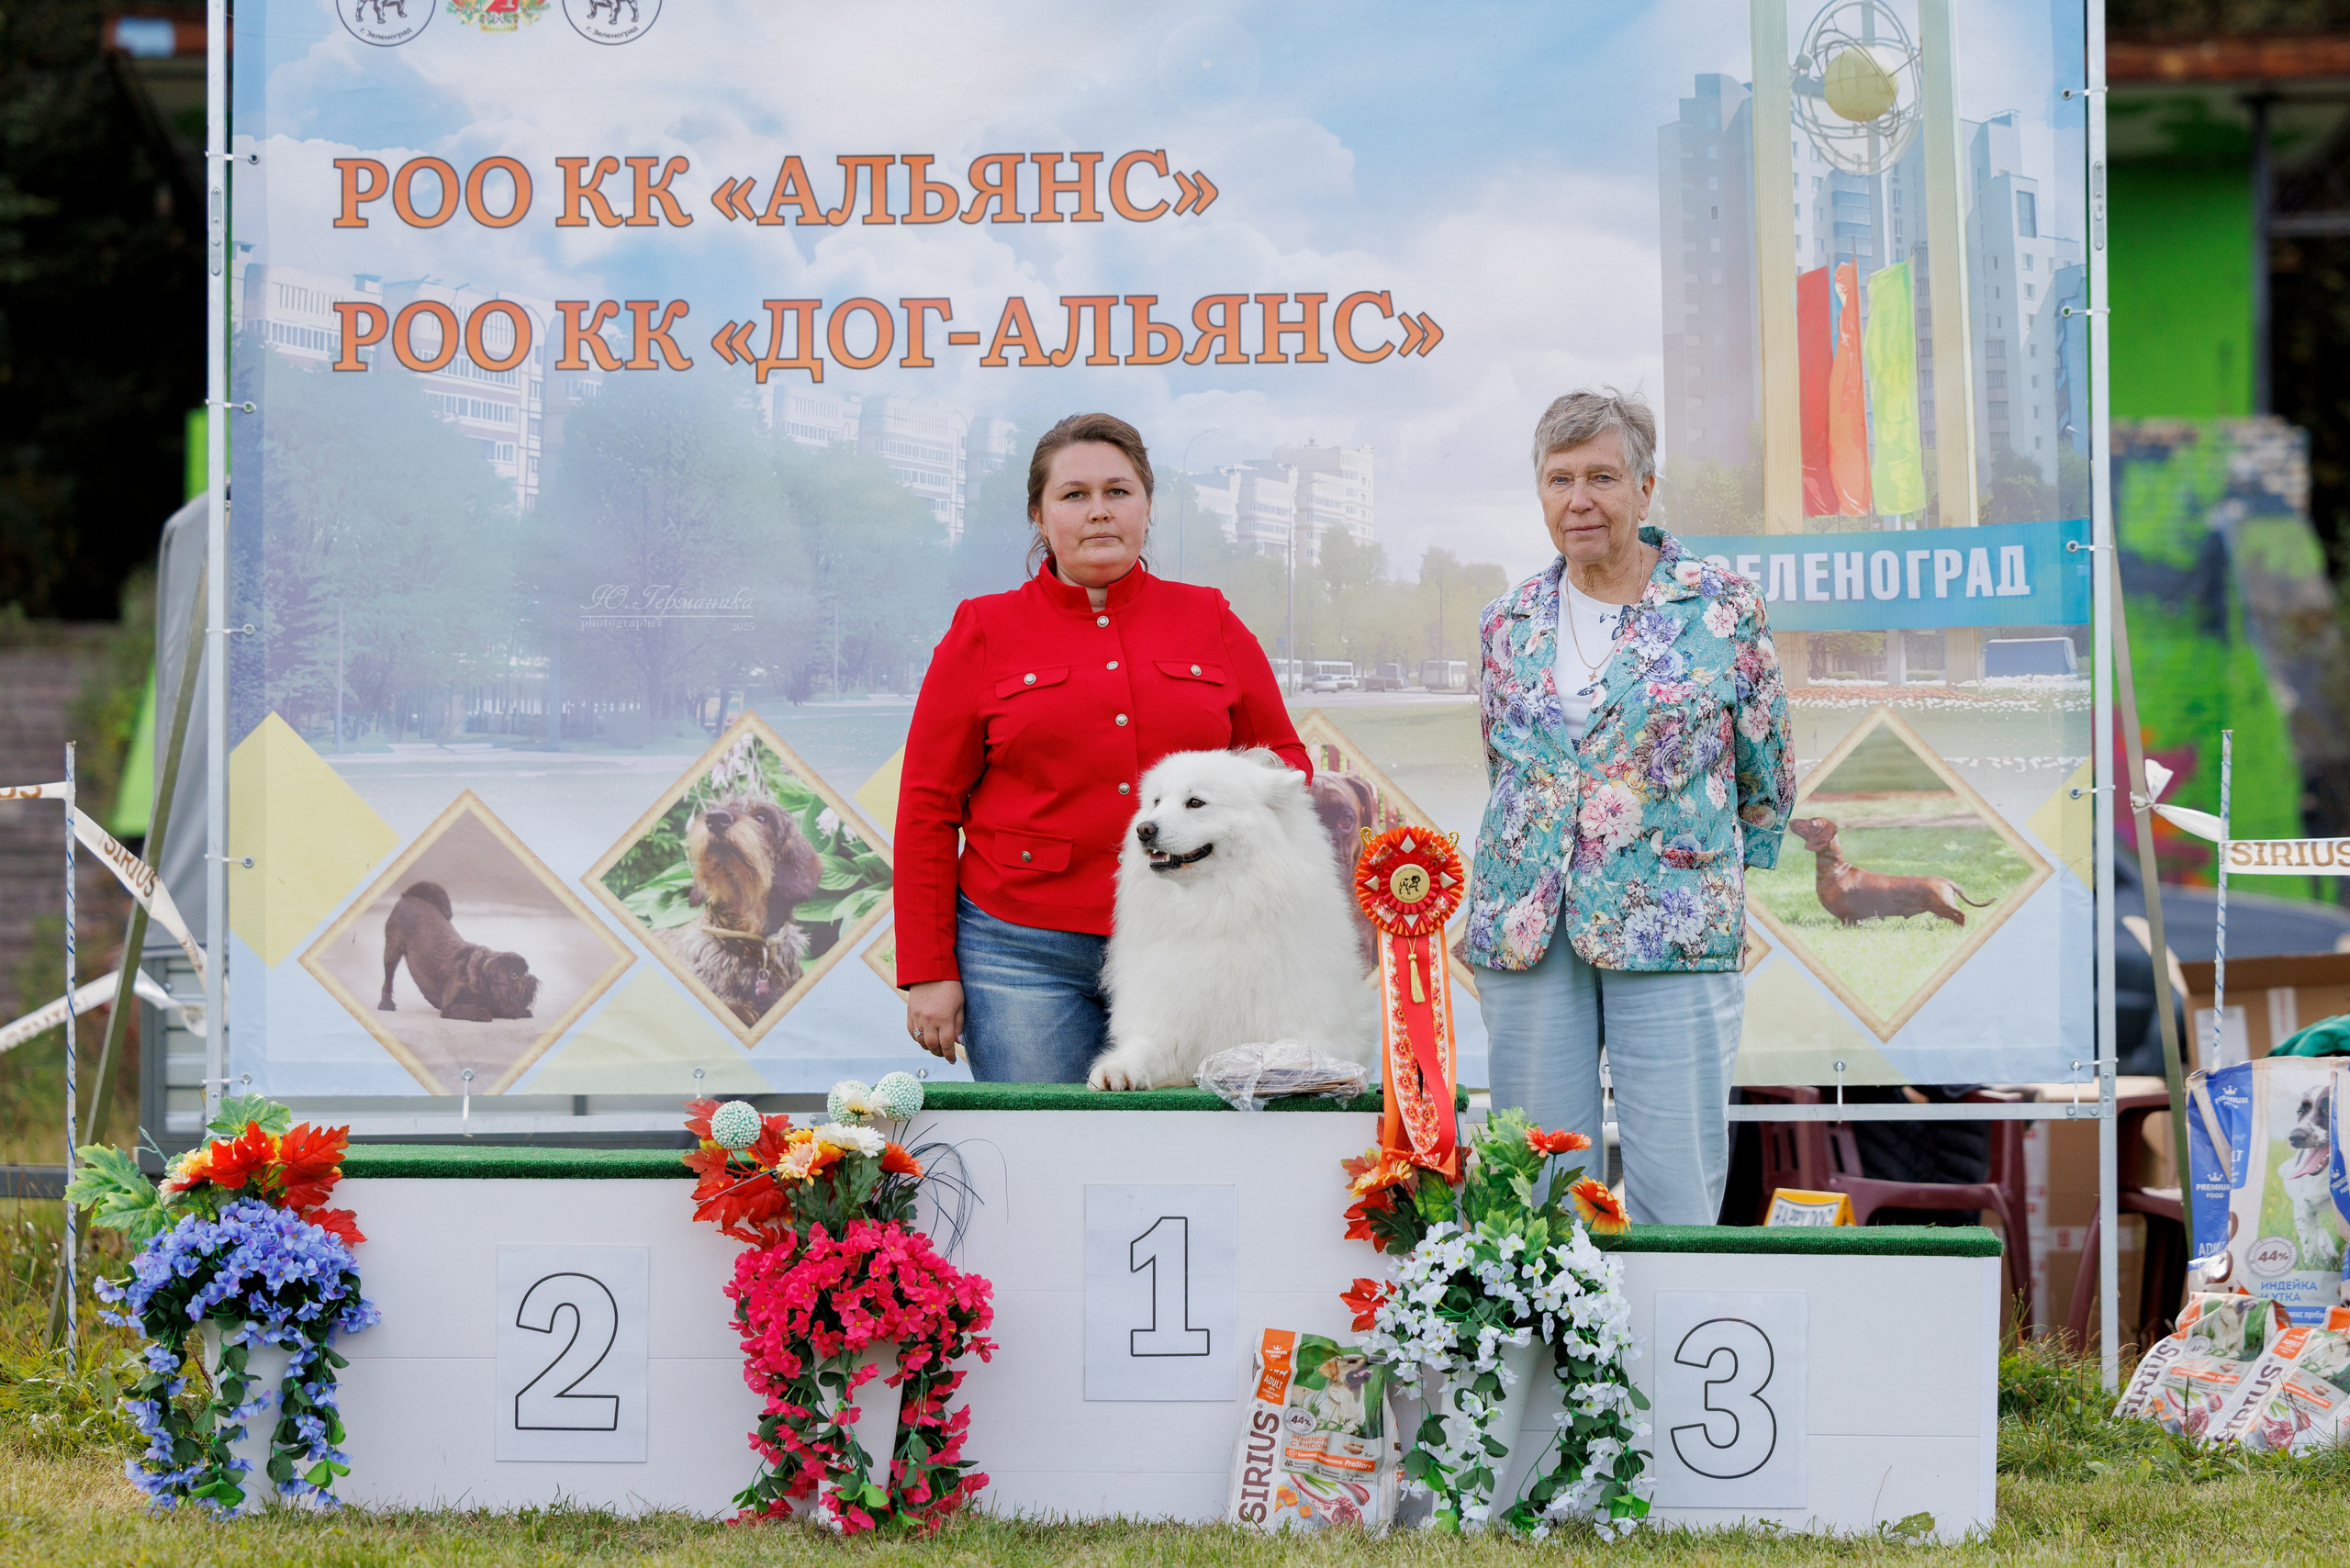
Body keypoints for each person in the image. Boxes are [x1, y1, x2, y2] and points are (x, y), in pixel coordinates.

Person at [894, 412, 1311, 1081]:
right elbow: (926, 808)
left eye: (1119, 492)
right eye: (1074, 495)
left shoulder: (1209, 618)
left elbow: (1284, 760)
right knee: (1051, 1155)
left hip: (1193, 944)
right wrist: (928, 971)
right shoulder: (983, 628)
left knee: (1184, 1152)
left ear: (1147, 507)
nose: (1099, 513)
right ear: (1039, 515)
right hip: (1021, 952)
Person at [1463, 389, 1793, 1224]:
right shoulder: (1507, 622)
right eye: (1559, 479)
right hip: (1531, 926)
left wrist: (1698, 868)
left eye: (1602, 477)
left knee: (1676, 1189)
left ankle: (1658, 1357)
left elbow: (1766, 767)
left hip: (1672, 920)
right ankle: (1542, 1355)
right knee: (1534, 1188)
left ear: (1645, 489)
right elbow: (1508, 765)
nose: (1580, 500)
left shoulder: (1721, 607)